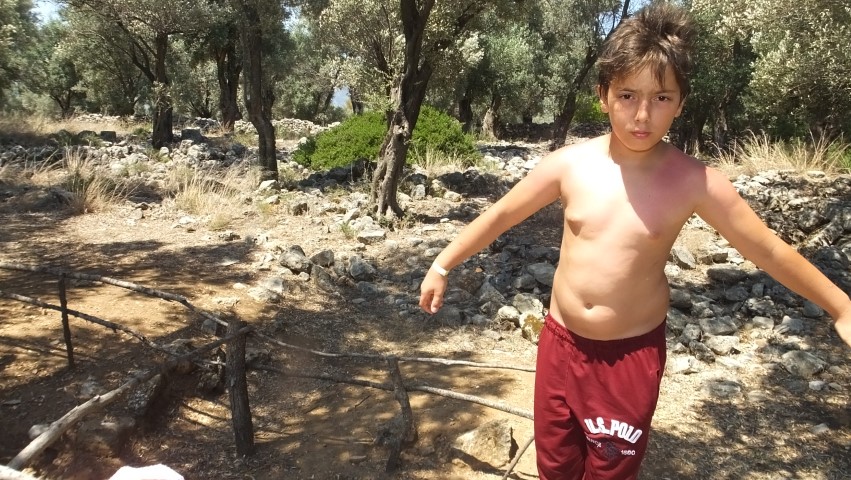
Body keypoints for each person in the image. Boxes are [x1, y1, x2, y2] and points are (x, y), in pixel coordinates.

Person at [418, 3, 851, 479]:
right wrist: (442, 264)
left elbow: (766, 249)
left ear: (681, 103)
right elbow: (501, 214)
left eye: (661, 97)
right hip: (560, 345)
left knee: (610, 472)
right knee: (556, 467)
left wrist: (841, 307)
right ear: (603, 95)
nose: (642, 115)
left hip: (629, 358)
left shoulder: (696, 182)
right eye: (627, 95)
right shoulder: (569, 165)